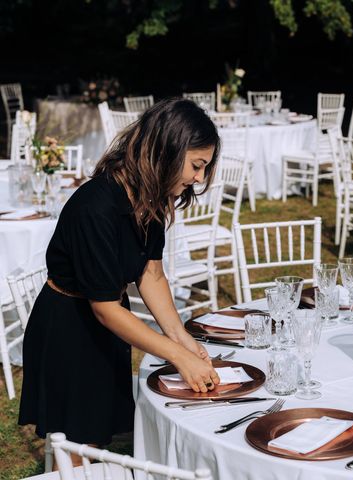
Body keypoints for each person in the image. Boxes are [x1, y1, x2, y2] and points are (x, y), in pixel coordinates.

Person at [19, 98, 221, 450]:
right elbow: (105, 308)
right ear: (167, 151)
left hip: (110, 325)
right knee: (80, 443)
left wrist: (181, 337)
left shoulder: (152, 197)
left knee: (104, 431)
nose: (199, 178)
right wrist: (178, 357)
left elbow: (151, 274)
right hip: (70, 328)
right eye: (196, 165)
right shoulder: (95, 207)